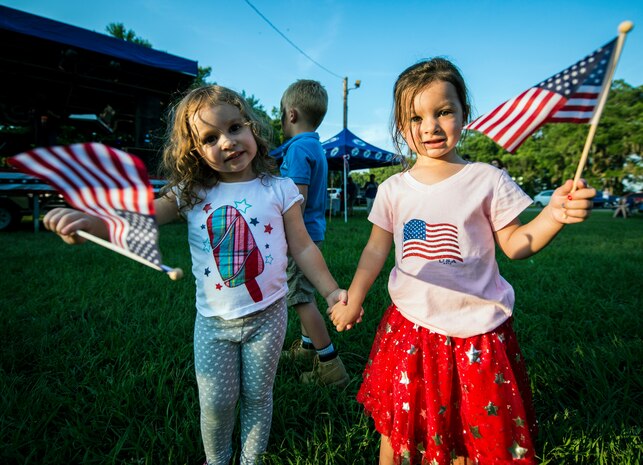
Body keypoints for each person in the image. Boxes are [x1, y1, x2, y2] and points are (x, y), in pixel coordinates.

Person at [43, 85, 347, 465]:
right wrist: (93, 224)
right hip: (213, 324)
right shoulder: (191, 191)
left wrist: (332, 290)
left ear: (253, 127)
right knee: (217, 402)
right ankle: (217, 459)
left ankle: (252, 459)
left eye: (235, 127)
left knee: (258, 395)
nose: (228, 142)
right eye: (210, 137)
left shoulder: (280, 188)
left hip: (267, 318)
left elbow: (302, 247)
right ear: (195, 150)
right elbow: (143, 216)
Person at [328, 58, 596, 465]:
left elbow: (517, 243)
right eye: (415, 117)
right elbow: (375, 250)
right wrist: (355, 298)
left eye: (443, 112)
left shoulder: (488, 180)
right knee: (401, 429)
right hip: (412, 329)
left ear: (464, 114)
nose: (430, 127)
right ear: (401, 126)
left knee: (470, 431)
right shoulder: (393, 189)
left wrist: (553, 215)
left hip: (478, 332)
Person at [278, 79, 350, 387]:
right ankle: (307, 350)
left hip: (299, 236)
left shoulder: (297, 151)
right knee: (304, 291)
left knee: (300, 298)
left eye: (281, 114)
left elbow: (298, 198)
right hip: (314, 231)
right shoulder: (314, 146)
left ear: (291, 114)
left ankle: (329, 364)